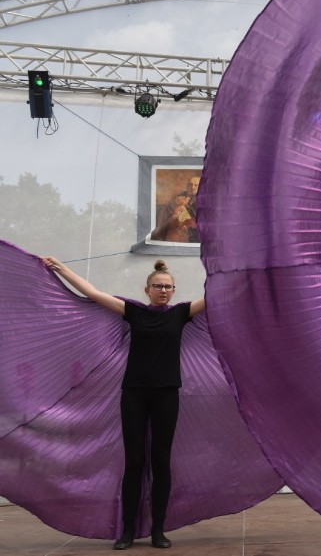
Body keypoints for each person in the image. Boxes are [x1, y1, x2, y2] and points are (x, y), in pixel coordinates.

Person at [41, 256, 205, 550]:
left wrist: (242, 267)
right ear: (147, 290)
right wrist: (60, 268)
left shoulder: (180, 314)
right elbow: (92, 293)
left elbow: (216, 295)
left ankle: (158, 531)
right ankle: (128, 531)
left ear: (174, 290)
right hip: (135, 394)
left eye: (168, 287)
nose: (163, 290)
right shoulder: (134, 312)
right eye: (158, 286)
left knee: (161, 462)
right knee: (134, 461)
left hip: (167, 394)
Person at [151, 175, 200, 243]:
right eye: (190, 184)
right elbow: (168, 208)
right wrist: (174, 204)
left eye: (196, 185)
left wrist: (187, 206)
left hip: (191, 228)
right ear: (186, 186)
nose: (192, 187)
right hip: (174, 224)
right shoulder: (183, 194)